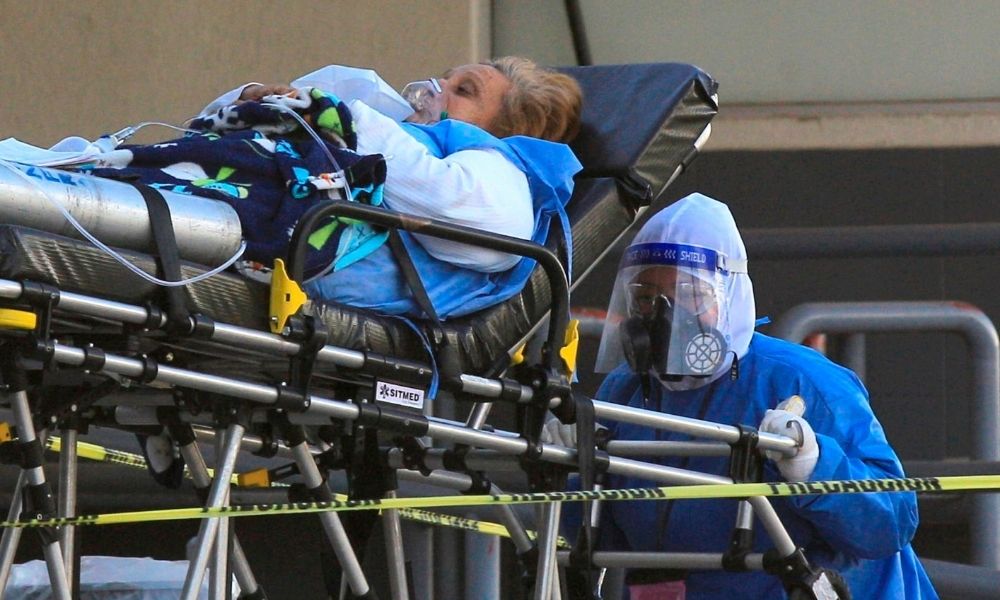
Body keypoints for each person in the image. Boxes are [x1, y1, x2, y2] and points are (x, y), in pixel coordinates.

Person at [552, 193, 938, 599]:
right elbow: (607, 542)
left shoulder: (803, 382)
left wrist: (817, 465)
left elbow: (892, 521)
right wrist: (574, 473)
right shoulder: (626, 390)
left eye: (689, 295)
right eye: (647, 299)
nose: (663, 316)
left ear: (730, 296)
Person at [200, 57, 584, 318]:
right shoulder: (402, 136)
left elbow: (476, 216)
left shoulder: (498, 167)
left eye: (463, 91)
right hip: (213, 217)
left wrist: (340, 119)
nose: (434, 88)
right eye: (445, 77)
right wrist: (251, 100)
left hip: (232, 239)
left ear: (501, 131)